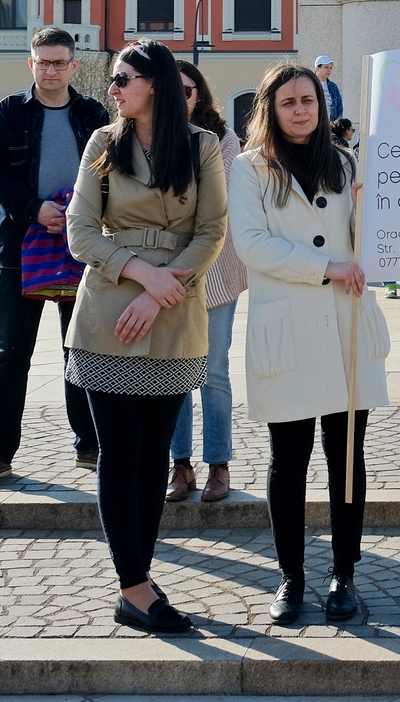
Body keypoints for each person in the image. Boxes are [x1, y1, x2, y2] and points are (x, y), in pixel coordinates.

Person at [64, 39, 226, 634]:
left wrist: (164, 289)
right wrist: (144, 276)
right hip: (110, 307)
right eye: (113, 78)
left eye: (122, 77)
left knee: (155, 454)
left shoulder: (202, 147)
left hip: (176, 310)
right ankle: (132, 586)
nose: (113, 87)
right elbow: (81, 234)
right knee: (120, 452)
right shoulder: (103, 144)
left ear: (152, 83)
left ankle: (140, 578)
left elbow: (211, 232)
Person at [229, 62, 387, 626]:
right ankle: (291, 576)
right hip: (289, 328)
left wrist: (373, 205)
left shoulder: (343, 163)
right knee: (289, 458)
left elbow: (367, 239)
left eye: (309, 100)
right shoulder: (249, 170)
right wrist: (325, 267)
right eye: (288, 101)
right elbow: (250, 244)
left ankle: (345, 571)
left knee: (347, 456)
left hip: (345, 326)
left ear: (321, 106)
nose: (300, 110)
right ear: (270, 109)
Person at [0, 27, 110, 489]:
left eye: (59, 62)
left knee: (82, 349)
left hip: (81, 246)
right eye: (42, 62)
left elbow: (113, 170)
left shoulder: (92, 113)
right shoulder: (8, 113)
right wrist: (36, 208)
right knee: (10, 352)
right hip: (19, 249)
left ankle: (90, 444)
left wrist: (78, 213)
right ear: (31, 65)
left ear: (74, 65)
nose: (50, 69)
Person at [168, 59, 246, 504]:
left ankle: (219, 464)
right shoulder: (147, 137)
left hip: (214, 272)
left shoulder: (223, 139)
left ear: (199, 94)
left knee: (213, 371)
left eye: (188, 89)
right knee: (175, 372)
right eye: (172, 88)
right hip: (168, 273)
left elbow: (221, 202)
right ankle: (181, 466)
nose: (181, 96)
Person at [315, 55, 344, 122]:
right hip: (316, 125)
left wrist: (336, 123)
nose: (329, 70)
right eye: (326, 67)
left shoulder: (333, 87)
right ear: (317, 68)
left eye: (331, 68)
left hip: (330, 125)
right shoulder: (310, 85)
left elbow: (339, 107)